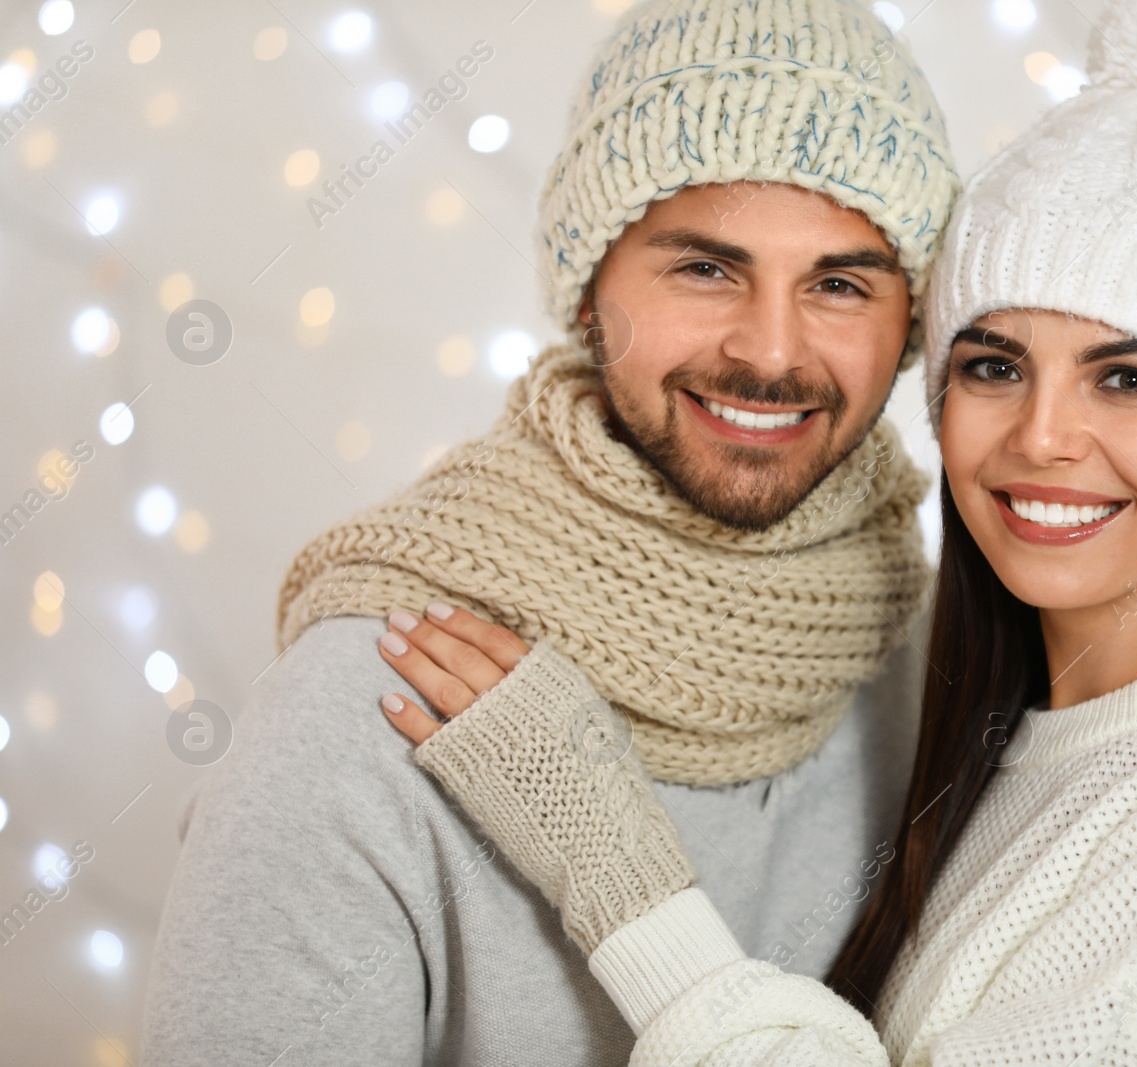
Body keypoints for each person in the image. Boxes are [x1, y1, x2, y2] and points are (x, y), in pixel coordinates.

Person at [371, 0, 1137, 1063]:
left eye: (1127, 377)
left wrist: (613, 869)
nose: (1043, 435)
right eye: (994, 365)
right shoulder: (985, 720)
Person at [139, 2, 960, 1063]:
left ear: (908, 325)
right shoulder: (375, 699)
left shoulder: (949, 664)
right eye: (705, 268)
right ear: (587, 293)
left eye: (840, 283)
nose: (769, 350)